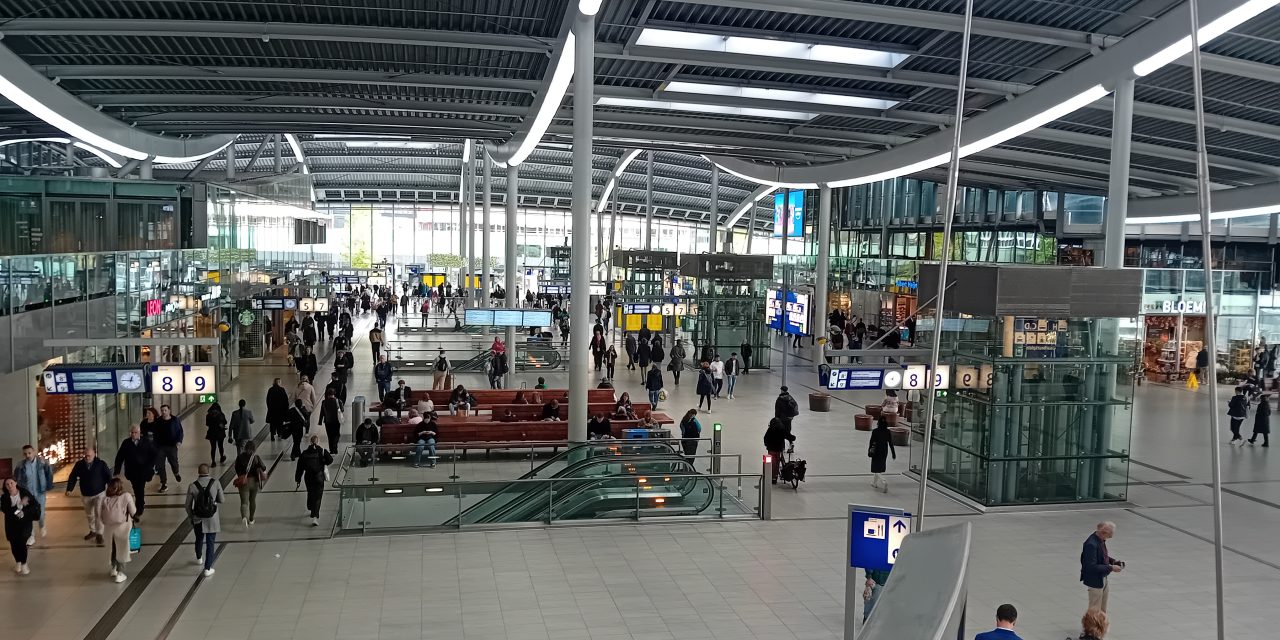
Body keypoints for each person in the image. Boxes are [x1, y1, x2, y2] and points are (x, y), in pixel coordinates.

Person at [66, 447, 112, 545]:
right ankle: (93, 531)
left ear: (94, 455)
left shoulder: (101, 464)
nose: (87, 458)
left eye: (89, 456)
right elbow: (73, 476)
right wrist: (69, 489)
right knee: (90, 514)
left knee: (98, 513)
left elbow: (108, 476)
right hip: (86, 494)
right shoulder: (79, 465)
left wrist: (111, 489)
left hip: (99, 493)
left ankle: (99, 534)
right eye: (85, 456)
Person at [184, 463, 223, 577]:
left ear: (198, 472)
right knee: (210, 543)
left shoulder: (192, 485)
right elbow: (222, 499)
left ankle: (199, 557)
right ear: (208, 471)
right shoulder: (215, 483)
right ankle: (208, 568)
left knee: (199, 539)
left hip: (198, 518)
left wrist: (192, 516)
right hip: (212, 518)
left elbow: (187, 505)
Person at [114, 426, 156, 522]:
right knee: (137, 489)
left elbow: (153, 454)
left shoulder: (146, 442)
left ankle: (139, 509)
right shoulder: (126, 443)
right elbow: (120, 457)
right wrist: (117, 471)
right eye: (132, 432)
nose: (133, 434)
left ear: (139, 432)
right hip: (132, 472)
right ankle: (140, 504)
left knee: (139, 489)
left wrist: (150, 466)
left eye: (135, 432)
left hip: (143, 471)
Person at [96, 478, 135, 583]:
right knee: (122, 549)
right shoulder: (126, 496)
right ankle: (120, 573)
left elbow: (98, 515)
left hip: (109, 528)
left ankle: (113, 569)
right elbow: (133, 511)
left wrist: (98, 531)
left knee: (112, 548)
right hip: (123, 527)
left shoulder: (103, 498)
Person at [1080, 521, 1123, 613]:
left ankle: (1101, 625)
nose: (1110, 537)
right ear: (1103, 532)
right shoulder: (1091, 544)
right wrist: (1111, 568)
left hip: (1102, 578)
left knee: (1102, 608)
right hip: (1095, 581)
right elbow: (1091, 566)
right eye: (1109, 535)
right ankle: (1092, 627)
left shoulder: (1100, 540)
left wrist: (1112, 561)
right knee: (1095, 609)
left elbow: (1102, 556)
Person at [14, 444, 53, 544]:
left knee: (41, 514)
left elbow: (49, 474)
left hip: (40, 492)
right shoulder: (21, 465)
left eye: (29, 453)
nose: (27, 455)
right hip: (28, 494)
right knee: (28, 515)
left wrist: (48, 486)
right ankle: (31, 536)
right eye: (25, 454)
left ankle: (42, 525)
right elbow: (16, 479)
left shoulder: (42, 463)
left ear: (34, 452)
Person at [3, 478, 39, 575]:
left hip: (25, 523)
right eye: (7, 484)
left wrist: (23, 512)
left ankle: (24, 563)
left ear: (16, 483)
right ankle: (18, 561)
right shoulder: (4, 497)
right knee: (14, 545)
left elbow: (34, 505)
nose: (10, 485)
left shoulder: (24, 492)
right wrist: (19, 508)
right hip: (11, 524)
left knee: (22, 543)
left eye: (11, 483)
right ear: (5, 487)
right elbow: (7, 510)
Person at [295, 435, 333, 527]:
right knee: (318, 496)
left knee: (310, 492)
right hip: (318, 477)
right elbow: (330, 460)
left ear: (310, 442)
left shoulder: (304, 453)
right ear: (318, 441)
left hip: (308, 477)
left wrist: (298, 479)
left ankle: (310, 507)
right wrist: (323, 463)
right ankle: (315, 516)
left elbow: (299, 467)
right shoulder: (322, 451)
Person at [233, 441, 266, 527]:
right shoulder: (256, 457)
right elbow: (264, 467)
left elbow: (236, 468)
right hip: (254, 481)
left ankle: (244, 517)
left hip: (244, 481)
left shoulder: (239, 457)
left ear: (245, 447)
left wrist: (241, 475)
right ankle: (251, 519)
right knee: (252, 500)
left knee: (244, 502)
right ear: (254, 448)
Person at [869, 416, 897, 493]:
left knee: (876, 468)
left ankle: (884, 481)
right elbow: (891, 443)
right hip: (884, 451)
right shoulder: (887, 431)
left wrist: (869, 451)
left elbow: (871, 442)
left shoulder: (875, 431)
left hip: (876, 451)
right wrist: (893, 453)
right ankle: (874, 483)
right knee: (879, 467)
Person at [763, 417, 795, 484]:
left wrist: (766, 445)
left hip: (771, 449)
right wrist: (793, 438)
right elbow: (788, 436)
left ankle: (771, 476)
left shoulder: (770, 430)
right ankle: (775, 476)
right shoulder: (782, 429)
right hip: (778, 449)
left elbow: (765, 438)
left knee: (772, 463)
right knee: (776, 463)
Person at [317, 391, 343, 455]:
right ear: (334, 394)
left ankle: (331, 450)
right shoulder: (338, 401)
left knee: (330, 435)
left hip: (327, 421)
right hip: (336, 421)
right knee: (337, 434)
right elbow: (342, 409)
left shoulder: (324, 402)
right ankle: (335, 447)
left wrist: (320, 421)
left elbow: (322, 412)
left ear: (328, 395)